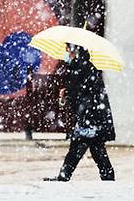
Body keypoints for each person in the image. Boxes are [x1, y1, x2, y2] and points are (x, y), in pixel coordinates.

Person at [44, 44, 115, 181]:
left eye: (67, 49)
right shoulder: (82, 66)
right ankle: (107, 176)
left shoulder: (80, 67)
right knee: (95, 148)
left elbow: (81, 92)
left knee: (80, 147)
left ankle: (65, 175)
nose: (65, 53)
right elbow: (82, 91)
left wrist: (68, 92)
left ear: (74, 52)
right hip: (92, 115)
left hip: (89, 116)